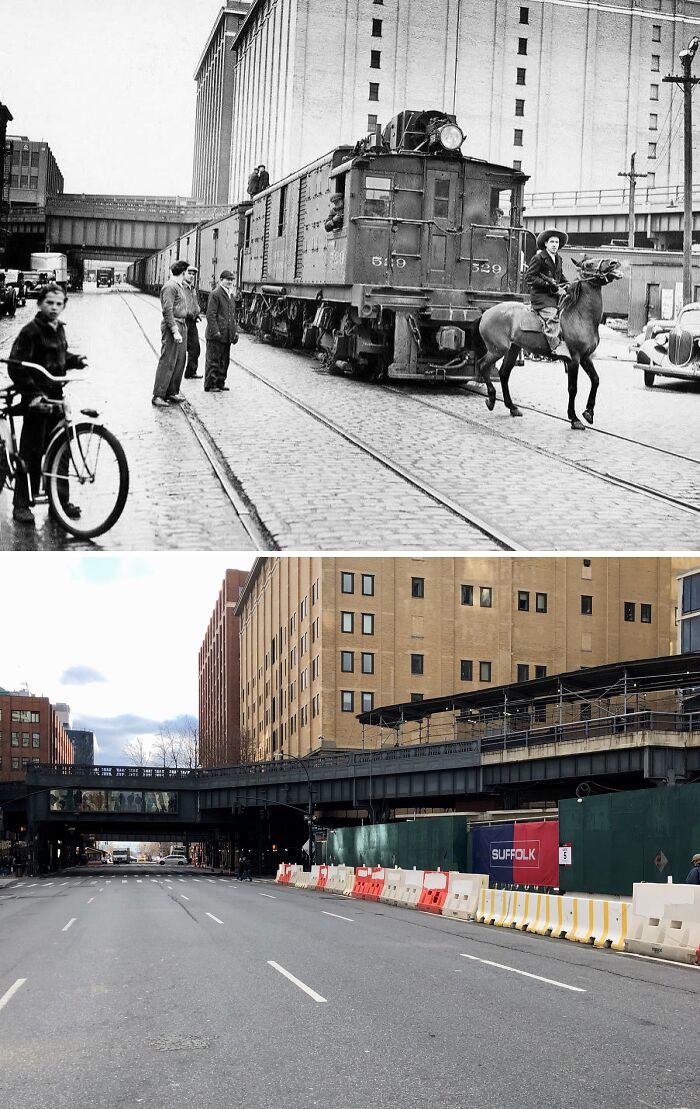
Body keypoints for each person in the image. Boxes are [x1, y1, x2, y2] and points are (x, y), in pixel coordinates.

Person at [7, 282, 87, 526]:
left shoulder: (58, 328)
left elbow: (60, 357)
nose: (54, 308)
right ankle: (21, 504)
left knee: (61, 451)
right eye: (49, 303)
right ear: (40, 304)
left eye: (58, 303)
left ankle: (58, 503)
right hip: (38, 400)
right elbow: (16, 366)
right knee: (32, 452)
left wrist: (76, 360)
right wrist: (32, 395)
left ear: (64, 306)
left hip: (56, 398)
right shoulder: (30, 331)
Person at [525, 228, 570, 358]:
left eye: (556, 242)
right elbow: (530, 277)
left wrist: (568, 285)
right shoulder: (538, 258)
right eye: (552, 242)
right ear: (546, 244)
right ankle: (555, 347)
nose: (555, 244)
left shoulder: (558, 259)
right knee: (552, 316)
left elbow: (560, 277)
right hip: (541, 297)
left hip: (554, 295)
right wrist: (547, 283)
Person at [151, 259, 189, 407]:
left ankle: (171, 392)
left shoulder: (179, 286)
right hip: (173, 326)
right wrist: (174, 331)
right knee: (167, 360)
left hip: (182, 324)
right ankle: (158, 395)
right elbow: (167, 311)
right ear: (183, 272)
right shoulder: (170, 287)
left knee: (179, 360)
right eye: (187, 272)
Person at [204, 269, 238, 392]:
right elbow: (210, 314)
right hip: (216, 335)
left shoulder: (230, 295)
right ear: (221, 280)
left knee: (224, 361)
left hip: (227, 334)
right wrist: (215, 331)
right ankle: (210, 384)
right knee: (213, 360)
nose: (230, 282)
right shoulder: (215, 294)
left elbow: (232, 316)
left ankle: (220, 382)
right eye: (227, 279)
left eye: (231, 280)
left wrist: (234, 332)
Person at [182, 265, 203, 380]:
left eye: (193, 274)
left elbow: (194, 303)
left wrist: (197, 313)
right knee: (180, 349)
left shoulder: (192, 288)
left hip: (192, 321)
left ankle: (191, 371)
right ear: (184, 274)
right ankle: (177, 372)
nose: (191, 276)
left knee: (195, 347)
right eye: (189, 273)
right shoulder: (180, 287)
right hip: (183, 320)